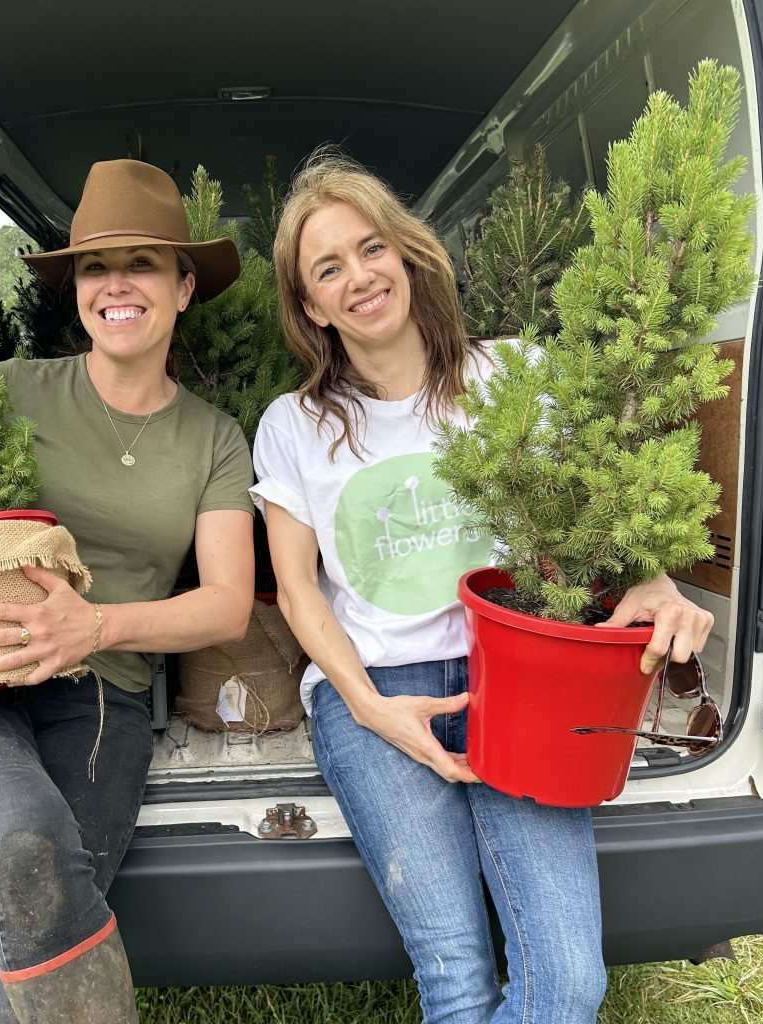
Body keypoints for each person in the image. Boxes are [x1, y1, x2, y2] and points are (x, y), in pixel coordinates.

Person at [250, 154, 715, 1024]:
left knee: (569, 985)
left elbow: (600, 507)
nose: (360, 276)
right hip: (376, 692)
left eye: (371, 247)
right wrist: (370, 707)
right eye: (328, 268)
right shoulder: (295, 426)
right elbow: (301, 593)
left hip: (523, 681)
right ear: (311, 306)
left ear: (408, 255)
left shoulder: (517, 377)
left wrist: (652, 577)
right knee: (456, 980)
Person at [0, 160, 255, 1024]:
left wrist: (94, 624)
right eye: (96, 267)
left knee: (45, 868)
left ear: (184, 287)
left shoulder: (214, 439)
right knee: (25, 834)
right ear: (76, 290)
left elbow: (226, 601)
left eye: (142, 264)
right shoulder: (7, 387)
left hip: (100, 693)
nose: (116, 285)